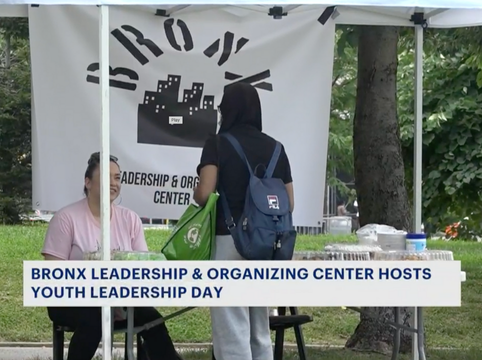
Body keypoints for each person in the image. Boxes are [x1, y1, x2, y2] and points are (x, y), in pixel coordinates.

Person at [41, 152, 182, 360]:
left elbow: (142, 268)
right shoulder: (66, 218)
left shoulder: (130, 219)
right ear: (88, 182)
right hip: (73, 300)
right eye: (107, 177)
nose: (114, 183)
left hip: (123, 299)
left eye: (118, 178)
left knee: (152, 320)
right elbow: (52, 277)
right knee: (95, 318)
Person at [193, 83, 294, 360]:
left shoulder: (217, 143)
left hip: (230, 241)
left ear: (227, 110)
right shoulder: (276, 148)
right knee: (259, 329)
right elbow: (290, 203)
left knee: (232, 328)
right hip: (264, 245)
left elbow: (204, 193)